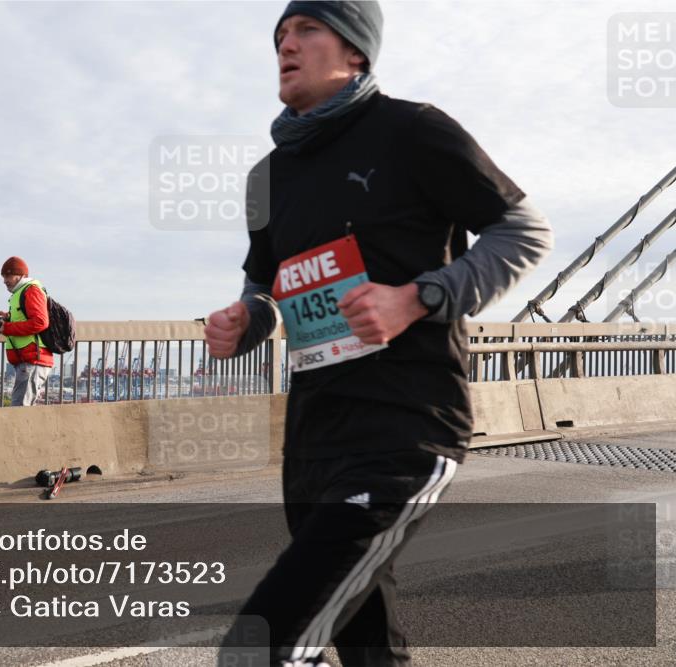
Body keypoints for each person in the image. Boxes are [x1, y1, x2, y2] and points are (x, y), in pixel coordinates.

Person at [207, 2, 553, 665]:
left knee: (258, 647)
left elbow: (524, 231)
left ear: (357, 50)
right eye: (280, 34)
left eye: (307, 29)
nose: (287, 43)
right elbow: (267, 291)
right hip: (312, 440)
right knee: (367, 647)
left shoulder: (411, 131)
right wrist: (243, 322)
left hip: (404, 427)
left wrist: (418, 297)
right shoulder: (267, 178)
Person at [0, 256, 53, 406]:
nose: (4, 280)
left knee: (19, 411)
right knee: (21, 409)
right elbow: (27, 317)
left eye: (8, 276)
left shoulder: (31, 290)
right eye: (3, 276)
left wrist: (6, 328)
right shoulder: (20, 293)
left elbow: (40, 322)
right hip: (28, 360)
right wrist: (8, 317)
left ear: (20, 275)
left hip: (33, 359)